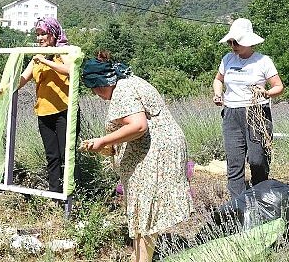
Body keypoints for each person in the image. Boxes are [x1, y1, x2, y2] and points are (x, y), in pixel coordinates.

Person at [80, 51, 193, 262]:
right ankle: (139, 256)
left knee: (145, 207)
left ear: (100, 84)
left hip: (155, 152)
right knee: (143, 207)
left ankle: (142, 259)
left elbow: (138, 126)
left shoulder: (122, 90)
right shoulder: (128, 81)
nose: (97, 95)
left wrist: (103, 141)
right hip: (159, 147)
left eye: (95, 89)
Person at [212, 18, 284, 197]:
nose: (233, 45)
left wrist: (266, 93)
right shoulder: (228, 59)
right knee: (234, 162)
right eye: (230, 42)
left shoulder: (263, 61)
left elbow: (278, 86)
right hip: (231, 113)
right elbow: (218, 80)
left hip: (256, 112)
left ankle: (261, 196)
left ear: (248, 41)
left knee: (257, 159)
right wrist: (218, 93)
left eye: (236, 42)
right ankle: (238, 206)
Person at [15, 17, 73, 193]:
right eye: (37, 34)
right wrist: (7, 87)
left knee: (67, 155)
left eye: (43, 34)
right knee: (52, 156)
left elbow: (71, 70)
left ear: (54, 35)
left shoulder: (65, 52)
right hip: (43, 112)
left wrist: (45, 60)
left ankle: (71, 194)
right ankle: (55, 193)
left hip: (64, 111)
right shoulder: (36, 59)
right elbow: (23, 79)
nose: (39, 38)